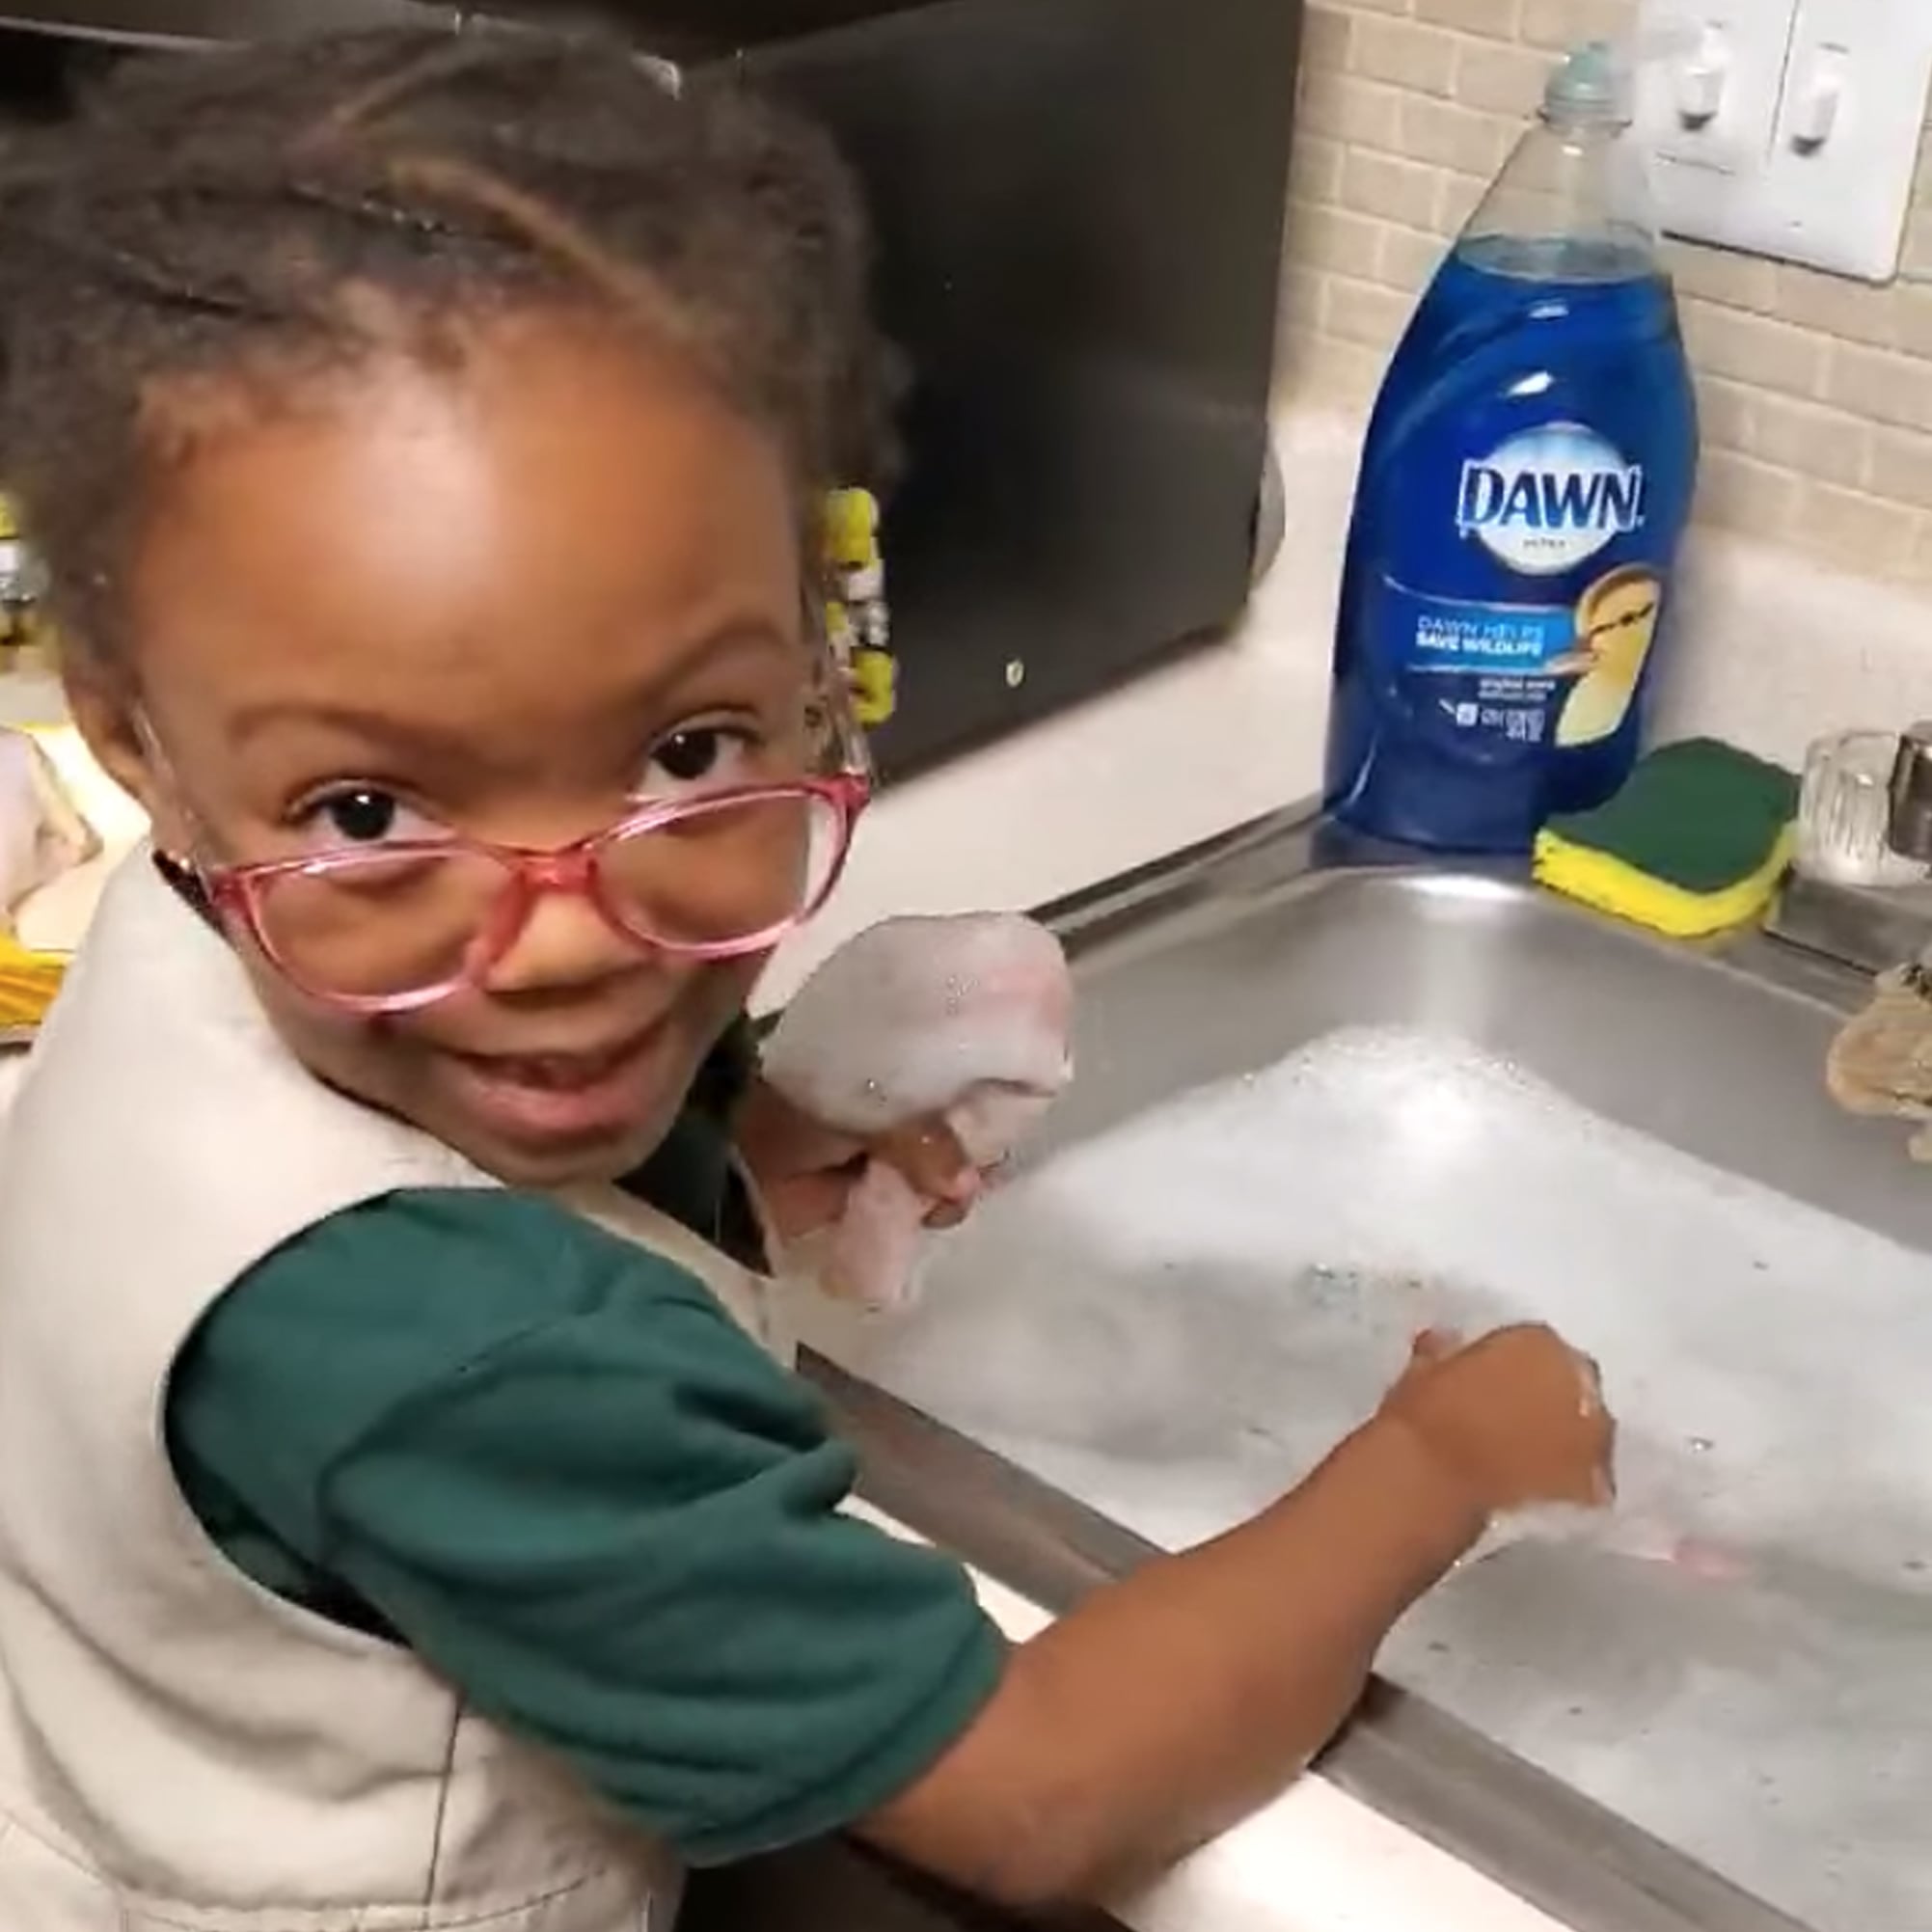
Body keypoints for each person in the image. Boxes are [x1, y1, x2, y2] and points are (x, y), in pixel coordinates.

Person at [0, 25, 1615, 1930]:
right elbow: (1040, 1799)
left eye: (687, 752)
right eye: (371, 809)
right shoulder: (459, 1353)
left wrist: (731, 1151)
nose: (576, 933)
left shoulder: (191, 929)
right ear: (135, 743)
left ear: (814, 655)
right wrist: (1432, 1464)